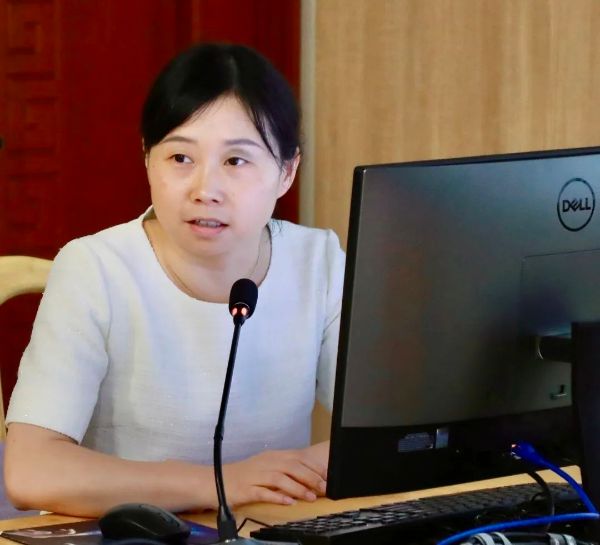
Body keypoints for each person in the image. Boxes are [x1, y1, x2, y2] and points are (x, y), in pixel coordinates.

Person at [4, 43, 345, 517]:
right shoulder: (94, 268)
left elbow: (392, 435)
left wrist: (304, 470)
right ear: (147, 157)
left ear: (287, 171)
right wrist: (224, 483)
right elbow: (32, 470)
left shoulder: (317, 262)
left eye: (236, 161)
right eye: (181, 158)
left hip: (273, 528)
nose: (205, 190)